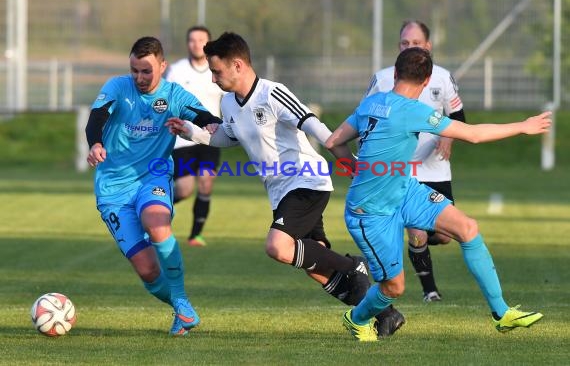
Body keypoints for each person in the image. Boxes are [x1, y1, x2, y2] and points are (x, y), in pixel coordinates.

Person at [325, 47, 549, 341]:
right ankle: (356, 319)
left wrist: (355, 169)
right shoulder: (414, 111)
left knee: (466, 227)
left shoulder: (372, 102)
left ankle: (502, 314)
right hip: (371, 212)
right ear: (427, 79)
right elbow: (474, 134)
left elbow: (333, 142)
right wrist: (523, 126)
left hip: (405, 191)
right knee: (394, 287)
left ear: (394, 73)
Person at [165, 31, 391, 321]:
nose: (212, 78)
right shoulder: (229, 103)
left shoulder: (272, 93)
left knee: (277, 246)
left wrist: (349, 163)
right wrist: (192, 132)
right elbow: (228, 136)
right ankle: (387, 315)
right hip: (280, 190)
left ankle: (353, 266)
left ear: (237, 65)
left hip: (306, 180)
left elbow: (313, 125)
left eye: (216, 71)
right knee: (315, 265)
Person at [85, 36, 222, 336]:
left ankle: (182, 302)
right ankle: (180, 310)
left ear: (163, 66)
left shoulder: (173, 94)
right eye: (134, 70)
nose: (139, 77)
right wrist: (95, 142)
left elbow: (202, 114)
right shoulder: (117, 87)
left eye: (146, 71)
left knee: (156, 222)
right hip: (112, 190)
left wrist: (210, 124)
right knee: (147, 270)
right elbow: (96, 118)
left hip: (153, 176)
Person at [365, 20, 465, 302]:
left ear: (428, 47)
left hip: (435, 167)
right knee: (417, 233)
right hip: (400, 169)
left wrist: (447, 137)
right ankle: (430, 291)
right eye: (405, 44)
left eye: (416, 43)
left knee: (444, 235)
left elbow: (457, 116)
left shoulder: (442, 78)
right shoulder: (384, 78)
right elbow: (366, 116)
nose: (410, 48)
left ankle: (399, 229)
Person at [165, 25, 225, 247]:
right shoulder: (177, 70)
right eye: (192, 40)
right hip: (183, 137)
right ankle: (153, 206)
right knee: (184, 189)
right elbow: (166, 98)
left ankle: (195, 235)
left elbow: (227, 100)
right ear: (187, 43)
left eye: (201, 40)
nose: (196, 44)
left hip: (211, 136)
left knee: (207, 182)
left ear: (208, 43)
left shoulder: (218, 69)